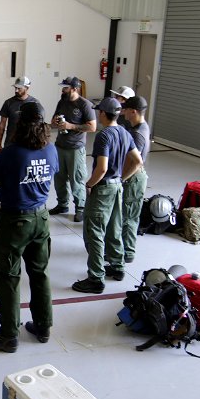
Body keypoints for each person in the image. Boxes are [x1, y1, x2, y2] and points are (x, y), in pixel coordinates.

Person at [0, 102, 59, 353]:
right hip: (41, 219)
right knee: (40, 273)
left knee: (9, 277)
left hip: (15, 221)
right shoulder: (51, 149)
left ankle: (8, 336)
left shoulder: (12, 153)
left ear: (20, 123)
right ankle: (43, 327)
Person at [72, 97, 142, 294]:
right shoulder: (125, 133)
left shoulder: (104, 136)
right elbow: (137, 161)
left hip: (103, 189)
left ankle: (95, 278)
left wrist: (89, 184)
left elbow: (101, 168)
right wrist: (121, 178)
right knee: (114, 227)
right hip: (117, 187)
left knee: (94, 232)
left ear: (103, 113)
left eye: (98, 111)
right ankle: (118, 267)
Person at [50, 76, 96, 222]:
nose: (63, 90)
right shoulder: (62, 101)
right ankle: (62, 204)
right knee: (59, 177)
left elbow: (92, 127)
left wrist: (71, 126)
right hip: (60, 146)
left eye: (66, 88)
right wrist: (55, 122)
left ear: (75, 89)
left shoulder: (85, 105)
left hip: (75, 148)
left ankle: (80, 208)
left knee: (76, 179)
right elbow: (53, 120)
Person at [118, 95, 151, 264]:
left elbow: (136, 163)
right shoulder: (139, 128)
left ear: (134, 111)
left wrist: (122, 179)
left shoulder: (138, 133)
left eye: (126, 110)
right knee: (125, 215)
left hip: (133, 179)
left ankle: (128, 252)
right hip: (132, 177)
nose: (123, 113)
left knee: (128, 217)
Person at [0, 76, 44, 153]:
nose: (16, 90)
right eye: (15, 88)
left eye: (19, 88)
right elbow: (2, 124)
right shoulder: (8, 103)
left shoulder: (35, 104)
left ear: (27, 88)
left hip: (27, 144)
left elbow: (39, 126)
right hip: (10, 143)